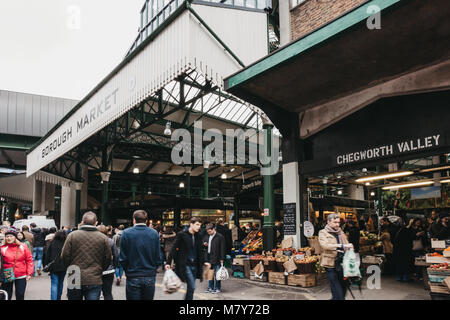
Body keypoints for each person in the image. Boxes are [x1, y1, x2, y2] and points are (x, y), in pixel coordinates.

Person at [61, 212, 112, 300]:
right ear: (96, 222)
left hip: (74, 275)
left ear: (82, 222)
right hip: (94, 276)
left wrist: (70, 267)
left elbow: (64, 255)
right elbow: (108, 258)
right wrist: (101, 268)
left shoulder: (72, 235)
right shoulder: (103, 238)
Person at [119, 210, 162, 300]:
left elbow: (123, 258)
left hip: (133, 274)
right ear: (146, 221)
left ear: (134, 220)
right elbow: (158, 256)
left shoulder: (126, 233)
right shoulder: (154, 233)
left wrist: (128, 270)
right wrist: (154, 268)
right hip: (149, 275)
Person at [166, 217, 205, 300]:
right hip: (185, 264)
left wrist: (205, 261)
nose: (199, 227)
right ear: (191, 224)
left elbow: (200, 251)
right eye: (197, 224)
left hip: (195, 265)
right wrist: (168, 263)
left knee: (191, 288)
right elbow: (174, 248)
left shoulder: (198, 236)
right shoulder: (182, 235)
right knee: (192, 286)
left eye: (200, 225)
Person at [318, 213, 353, 300]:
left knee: (343, 287)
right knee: (337, 290)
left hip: (342, 264)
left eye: (338, 222)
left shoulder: (341, 232)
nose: (337, 224)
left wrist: (349, 247)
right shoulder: (323, 233)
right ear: (328, 222)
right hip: (330, 264)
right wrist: (341, 246)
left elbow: (346, 244)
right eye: (335, 222)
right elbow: (325, 245)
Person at [0, 228, 34, 300]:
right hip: (7, 274)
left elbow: (29, 260)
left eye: (11, 236)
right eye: (7, 236)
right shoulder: (2, 248)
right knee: (6, 295)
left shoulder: (23, 246)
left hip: (21, 274)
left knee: (20, 295)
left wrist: (29, 273)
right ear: (5, 238)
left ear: (15, 237)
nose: (9, 238)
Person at [44, 230, 67, 300]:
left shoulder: (52, 243)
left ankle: (53, 298)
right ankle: (58, 297)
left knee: (54, 284)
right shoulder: (66, 243)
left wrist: (46, 264)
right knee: (61, 283)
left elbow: (47, 255)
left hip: (53, 266)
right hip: (63, 266)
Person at [203, 223, 225, 294]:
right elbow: (203, 245)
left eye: (209, 231)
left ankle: (217, 288)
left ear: (213, 229)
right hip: (209, 257)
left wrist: (222, 258)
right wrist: (204, 244)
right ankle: (210, 287)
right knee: (210, 273)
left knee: (217, 274)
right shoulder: (207, 236)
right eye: (207, 232)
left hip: (217, 257)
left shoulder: (220, 237)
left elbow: (222, 248)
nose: (208, 233)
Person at [97, 225, 119, 300]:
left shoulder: (93, 241)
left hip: (96, 270)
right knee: (107, 293)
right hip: (109, 270)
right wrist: (114, 266)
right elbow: (116, 255)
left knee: (95, 293)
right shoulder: (110, 241)